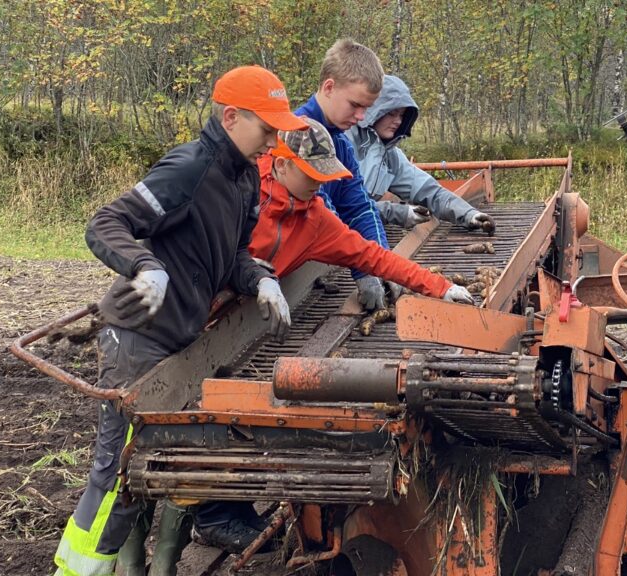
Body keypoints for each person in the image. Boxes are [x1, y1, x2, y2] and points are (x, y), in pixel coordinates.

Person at [53, 65, 306, 576]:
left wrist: (258, 278)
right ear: (231, 117)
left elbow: (231, 254)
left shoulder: (243, 185)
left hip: (182, 343)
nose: (274, 140)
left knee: (157, 468)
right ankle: (78, 570)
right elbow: (106, 223)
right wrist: (144, 265)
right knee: (120, 470)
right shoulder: (188, 168)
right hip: (138, 338)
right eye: (267, 127)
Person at [191, 117, 474, 553]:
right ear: (281, 163)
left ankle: (220, 510)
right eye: (313, 174)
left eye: (326, 175)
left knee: (234, 399)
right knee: (186, 409)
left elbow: (372, 255)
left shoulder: (316, 217)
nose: (320, 184)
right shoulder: (241, 188)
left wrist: (440, 287)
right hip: (192, 309)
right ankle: (199, 517)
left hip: (242, 317)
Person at [295, 38, 397, 312]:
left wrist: (383, 263)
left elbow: (359, 208)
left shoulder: (340, 142)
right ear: (329, 87)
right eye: (355, 105)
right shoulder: (298, 138)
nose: (361, 117)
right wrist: (365, 269)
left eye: (367, 108)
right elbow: (324, 218)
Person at [346, 74, 496, 233]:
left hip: (360, 230)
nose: (398, 121)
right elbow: (343, 205)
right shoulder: (346, 141)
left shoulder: (390, 157)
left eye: (402, 115)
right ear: (373, 110)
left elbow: (431, 192)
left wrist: (469, 214)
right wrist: (397, 212)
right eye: (391, 113)